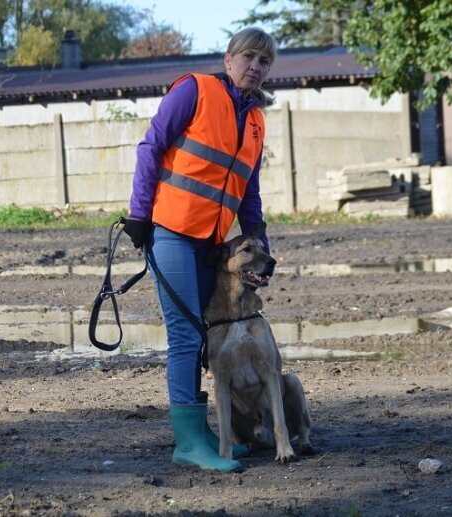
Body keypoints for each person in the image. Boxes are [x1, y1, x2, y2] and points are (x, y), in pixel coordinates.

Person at [123, 27, 277, 472]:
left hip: (211, 244)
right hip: (170, 231)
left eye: (264, 62)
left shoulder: (255, 121)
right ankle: (188, 442)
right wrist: (139, 213)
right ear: (228, 60)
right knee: (187, 336)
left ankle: (205, 431)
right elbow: (151, 147)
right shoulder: (193, 90)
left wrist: (259, 242)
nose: (255, 67)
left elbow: (248, 190)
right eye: (248, 57)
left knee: (210, 334)